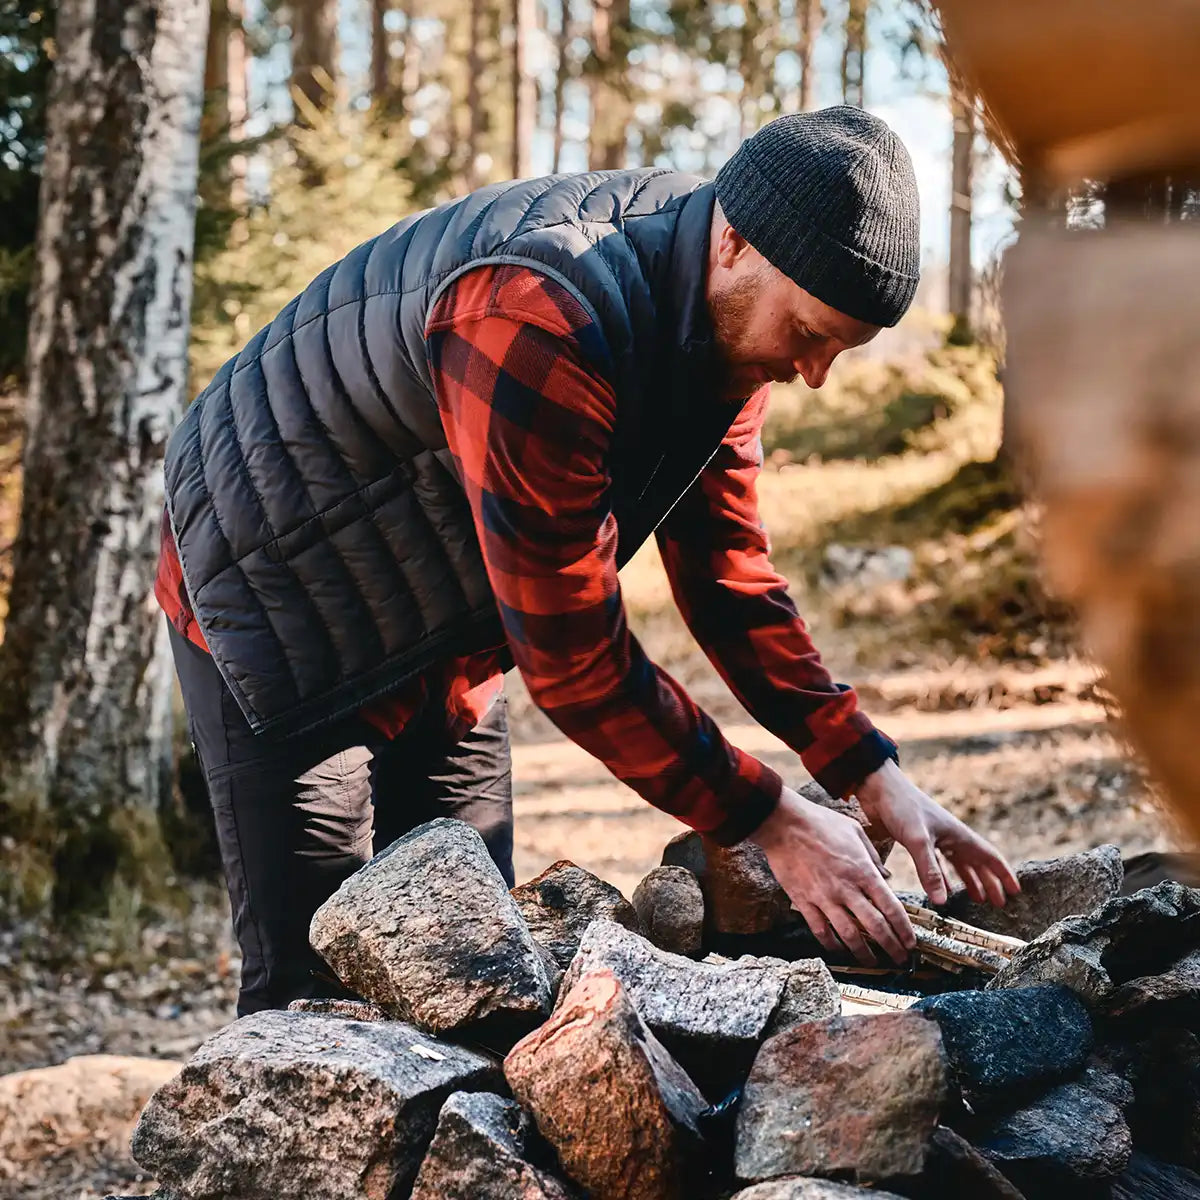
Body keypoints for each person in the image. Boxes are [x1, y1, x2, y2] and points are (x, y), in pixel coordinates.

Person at [157, 105, 1019, 1016]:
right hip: (277, 599)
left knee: (472, 975)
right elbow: (576, 664)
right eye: (808, 335)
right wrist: (774, 821)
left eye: (840, 349)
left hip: (444, 622)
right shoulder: (538, 316)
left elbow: (730, 580)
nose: (813, 375)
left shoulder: (731, 339)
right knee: (314, 1000)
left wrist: (868, 770)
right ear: (734, 246)